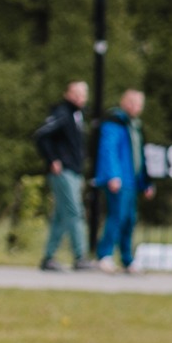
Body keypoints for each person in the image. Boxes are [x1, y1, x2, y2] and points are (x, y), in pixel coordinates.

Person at [92, 89, 154, 273]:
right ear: (124, 102)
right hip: (119, 179)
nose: (136, 107)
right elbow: (108, 150)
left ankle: (127, 258)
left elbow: (140, 157)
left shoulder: (134, 126)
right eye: (133, 102)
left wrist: (146, 182)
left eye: (139, 104)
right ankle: (105, 255)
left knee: (129, 219)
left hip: (132, 181)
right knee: (116, 217)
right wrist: (113, 175)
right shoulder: (114, 122)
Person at [34, 80, 92, 271]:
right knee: (75, 212)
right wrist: (53, 159)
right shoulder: (62, 113)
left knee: (61, 216)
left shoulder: (78, 115)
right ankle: (80, 256)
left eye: (83, 94)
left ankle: (48, 257)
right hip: (64, 171)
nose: (80, 98)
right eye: (76, 94)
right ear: (67, 94)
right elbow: (41, 135)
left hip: (74, 171)